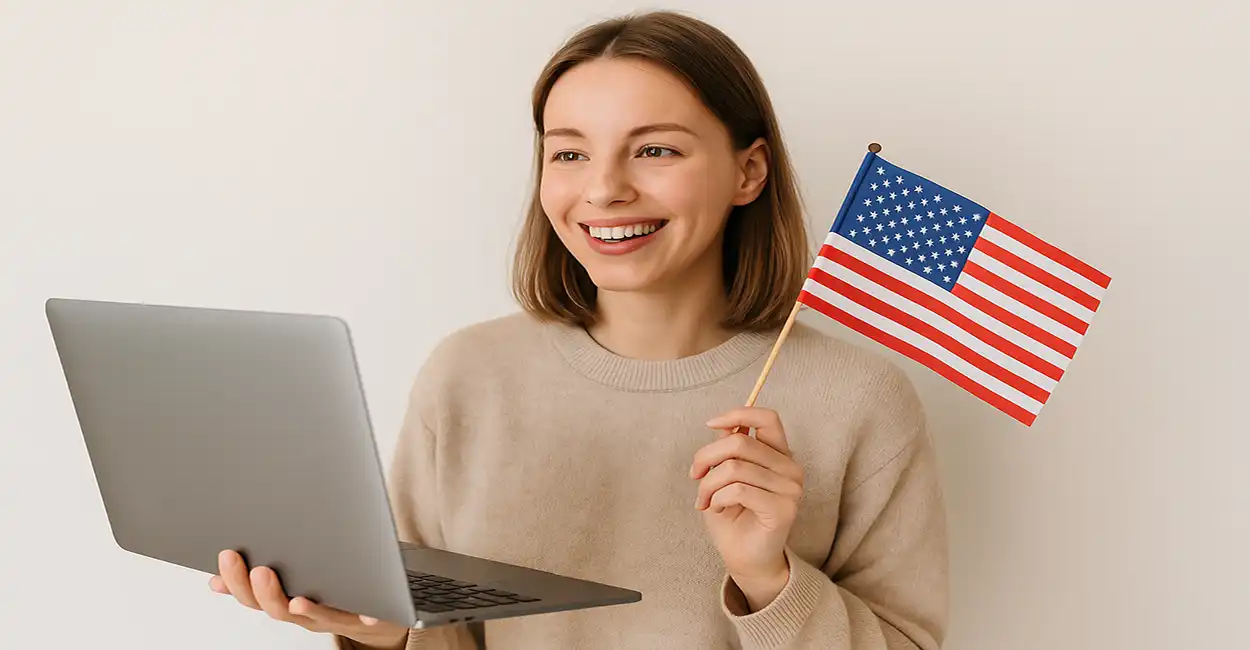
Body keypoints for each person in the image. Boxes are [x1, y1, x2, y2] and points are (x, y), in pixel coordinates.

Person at [208, 9, 949, 650]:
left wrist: (768, 578)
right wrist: (380, 631)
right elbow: (434, 629)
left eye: (655, 149)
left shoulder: (860, 399)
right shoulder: (467, 375)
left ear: (748, 172)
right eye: (569, 152)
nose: (603, 188)